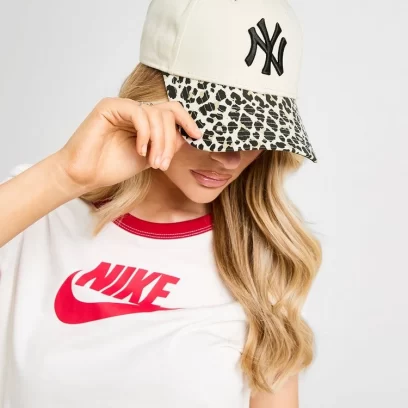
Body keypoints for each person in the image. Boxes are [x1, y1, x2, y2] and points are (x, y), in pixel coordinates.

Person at [0, 0, 322, 407]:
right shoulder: (37, 210)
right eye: (217, 125)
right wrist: (68, 174)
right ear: (152, 98)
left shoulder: (260, 265)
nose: (232, 157)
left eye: (257, 133)